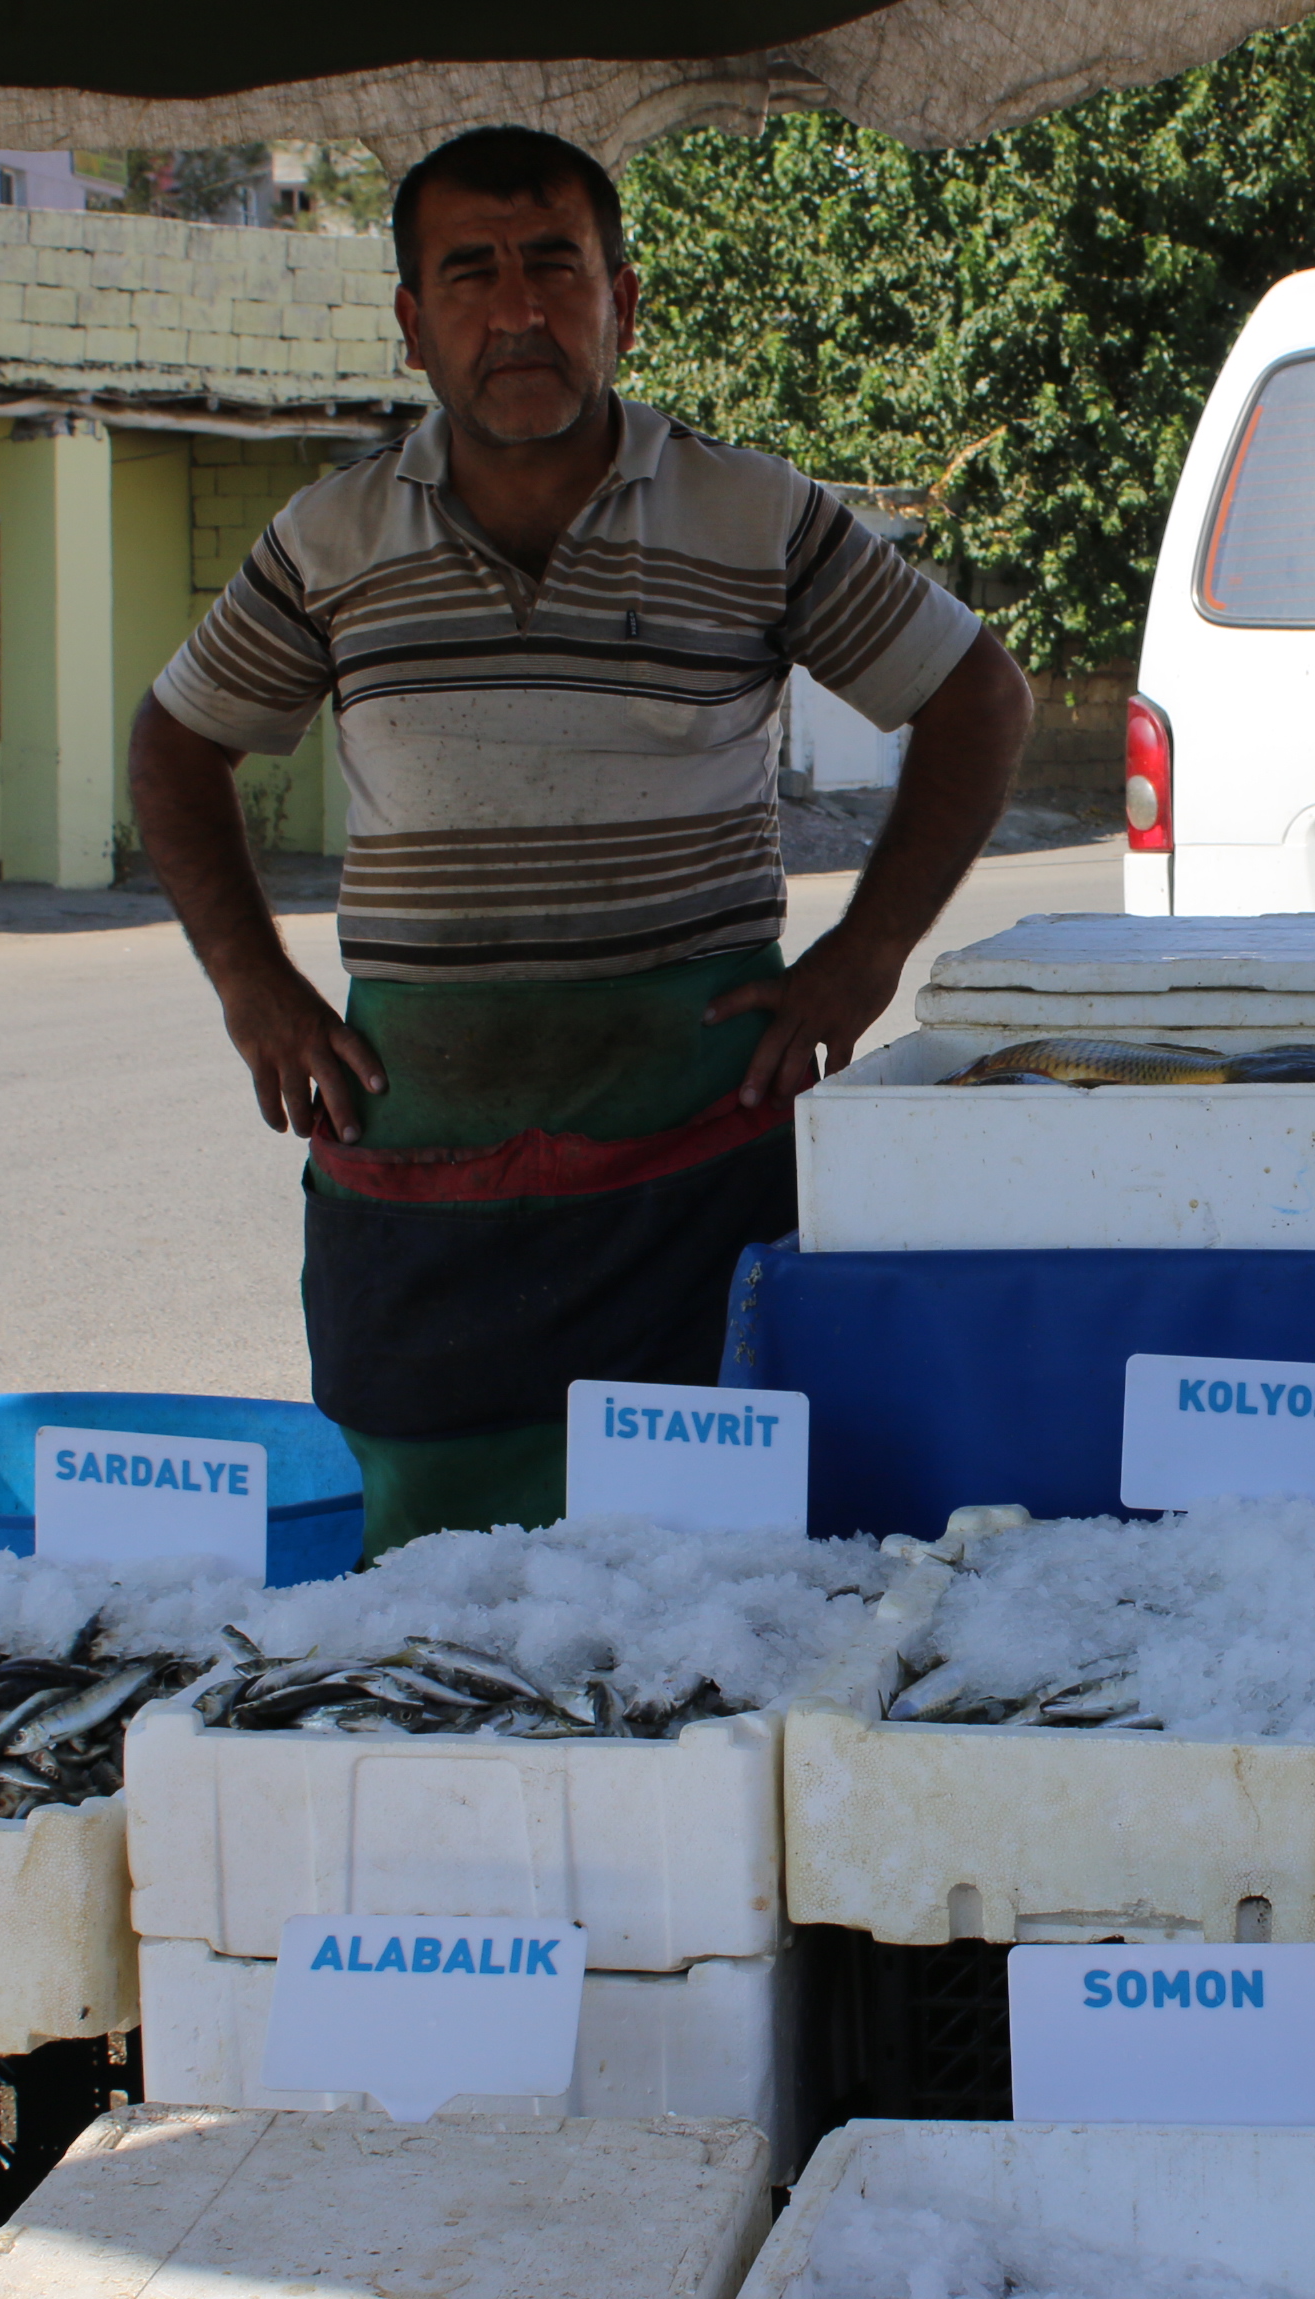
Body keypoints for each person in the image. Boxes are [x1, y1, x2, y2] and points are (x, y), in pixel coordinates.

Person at [130, 124, 1032, 1559]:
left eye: (556, 267)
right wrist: (254, 984)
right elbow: (176, 745)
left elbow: (977, 695)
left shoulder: (755, 515)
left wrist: (864, 957)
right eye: (472, 274)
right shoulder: (329, 538)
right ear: (417, 325)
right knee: (427, 1566)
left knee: (706, 1557)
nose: (520, 311)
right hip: (414, 1137)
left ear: (625, 299)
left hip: (695, 1134)